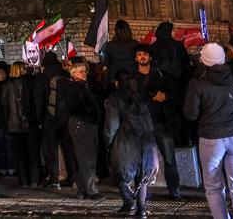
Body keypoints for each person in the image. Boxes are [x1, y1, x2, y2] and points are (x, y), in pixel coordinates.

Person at [184, 42, 233, 219]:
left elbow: (191, 114)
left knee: (213, 187)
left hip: (211, 139)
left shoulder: (197, 83)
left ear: (203, 61)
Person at [103, 70, 158, 218]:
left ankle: (129, 202)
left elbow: (111, 124)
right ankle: (141, 210)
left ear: (117, 82)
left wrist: (108, 142)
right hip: (146, 141)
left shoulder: (115, 98)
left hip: (126, 140)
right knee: (142, 177)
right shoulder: (142, 97)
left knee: (120, 172)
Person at [132, 44, 181, 199]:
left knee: (169, 158)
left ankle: (174, 191)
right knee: (142, 160)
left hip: (161, 123)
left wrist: (165, 97)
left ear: (150, 57)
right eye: (139, 54)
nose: (142, 57)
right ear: (135, 58)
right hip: (142, 125)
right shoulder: (132, 79)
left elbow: (176, 95)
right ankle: (142, 193)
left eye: (145, 54)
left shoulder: (161, 75)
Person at [33, 51, 75, 188]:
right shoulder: (66, 75)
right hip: (66, 117)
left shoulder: (42, 77)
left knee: (52, 150)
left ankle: (55, 179)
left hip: (49, 117)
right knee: (67, 148)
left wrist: (39, 120)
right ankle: (72, 177)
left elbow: (39, 101)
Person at [65, 61, 101, 199]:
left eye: (84, 71)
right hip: (82, 124)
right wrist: (89, 114)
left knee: (85, 158)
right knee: (87, 159)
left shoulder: (85, 86)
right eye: (80, 71)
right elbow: (75, 107)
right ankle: (91, 191)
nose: (84, 73)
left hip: (87, 123)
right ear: (74, 74)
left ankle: (82, 189)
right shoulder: (75, 88)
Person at [3, 62, 41, 187]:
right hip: (30, 123)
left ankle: (24, 181)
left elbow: (4, 106)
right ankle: (34, 180)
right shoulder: (31, 82)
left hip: (13, 125)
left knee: (20, 155)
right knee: (33, 153)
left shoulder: (7, 85)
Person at [101, 20, 137, 85]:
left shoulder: (110, 45)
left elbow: (106, 64)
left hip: (115, 78)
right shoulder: (135, 44)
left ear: (116, 31)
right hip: (132, 77)